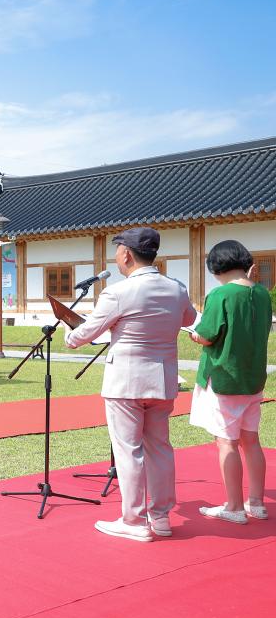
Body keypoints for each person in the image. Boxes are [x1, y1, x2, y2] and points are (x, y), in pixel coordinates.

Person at [65, 227, 196, 542]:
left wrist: (69, 334)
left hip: (126, 382)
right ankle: (161, 517)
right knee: (160, 449)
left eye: (117, 251)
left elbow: (85, 334)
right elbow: (189, 319)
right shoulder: (176, 289)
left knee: (129, 451)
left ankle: (134, 520)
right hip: (162, 380)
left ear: (126, 254)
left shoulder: (118, 292)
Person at [187, 240, 272, 524]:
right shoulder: (262, 294)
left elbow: (208, 335)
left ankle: (234, 506)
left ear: (216, 267)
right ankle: (257, 503)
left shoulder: (220, 294)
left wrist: (194, 334)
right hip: (253, 378)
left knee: (226, 443)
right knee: (252, 440)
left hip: (224, 377)